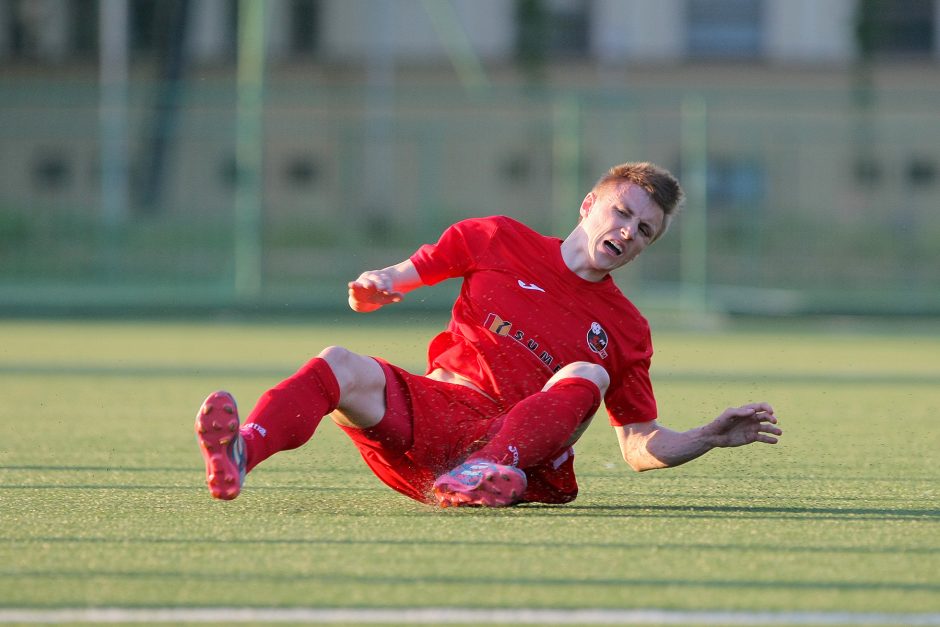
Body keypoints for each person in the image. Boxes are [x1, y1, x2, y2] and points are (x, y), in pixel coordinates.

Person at [195, 161, 781, 507]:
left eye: (645, 231)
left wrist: (706, 435)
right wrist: (379, 283)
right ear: (588, 205)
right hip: (433, 421)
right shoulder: (497, 238)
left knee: (587, 373)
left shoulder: (626, 328)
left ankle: (484, 471)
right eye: (622, 214)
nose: (628, 233)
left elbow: (635, 444)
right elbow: (405, 272)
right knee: (338, 362)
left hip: (514, 460)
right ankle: (243, 449)